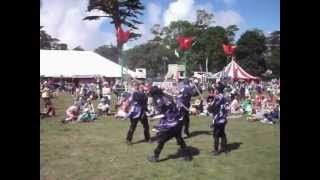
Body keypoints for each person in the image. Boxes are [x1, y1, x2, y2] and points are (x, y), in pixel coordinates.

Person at [148, 94, 192, 162]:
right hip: (178, 124)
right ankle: (187, 156)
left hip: (171, 126)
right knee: (180, 139)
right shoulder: (177, 103)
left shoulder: (168, 105)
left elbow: (163, 114)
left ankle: (155, 156)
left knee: (162, 141)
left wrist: (153, 118)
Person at [209, 83, 229, 156]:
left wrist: (210, 106)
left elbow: (212, 107)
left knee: (216, 135)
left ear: (218, 90)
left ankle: (216, 150)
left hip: (219, 119)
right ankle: (225, 148)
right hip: (223, 118)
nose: (214, 91)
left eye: (215, 89)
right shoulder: (223, 97)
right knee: (222, 134)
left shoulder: (218, 97)